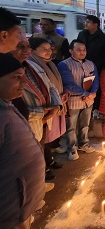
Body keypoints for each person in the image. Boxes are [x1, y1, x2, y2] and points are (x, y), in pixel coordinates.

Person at [0, 53, 45, 229]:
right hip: (8, 211)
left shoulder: (7, 105)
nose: (24, 83)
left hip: (19, 206)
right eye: (17, 78)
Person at [28, 37, 67, 171]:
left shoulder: (49, 63)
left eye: (49, 49)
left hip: (52, 105)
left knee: (45, 138)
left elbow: (50, 85)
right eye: (44, 49)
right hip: (38, 109)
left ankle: (48, 162)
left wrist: (58, 101)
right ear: (32, 50)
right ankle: (42, 169)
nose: (48, 52)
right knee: (39, 140)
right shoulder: (30, 65)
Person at [57, 40, 99, 161]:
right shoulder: (64, 65)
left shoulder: (91, 64)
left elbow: (96, 80)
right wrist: (85, 93)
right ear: (71, 51)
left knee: (85, 125)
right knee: (71, 126)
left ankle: (84, 144)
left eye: (84, 50)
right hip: (73, 101)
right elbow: (69, 84)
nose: (82, 52)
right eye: (78, 50)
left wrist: (92, 93)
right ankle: (72, 148)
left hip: (88, 101)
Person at [77, 15, 105, 110]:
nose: (85, 23)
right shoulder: (82, 35)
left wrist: (101, 68)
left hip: (96, 69)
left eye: (88, 22)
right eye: (86, 22)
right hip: (79, 67)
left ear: (95, 24)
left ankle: (94, 110)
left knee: (94, 91)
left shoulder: (104, 39)